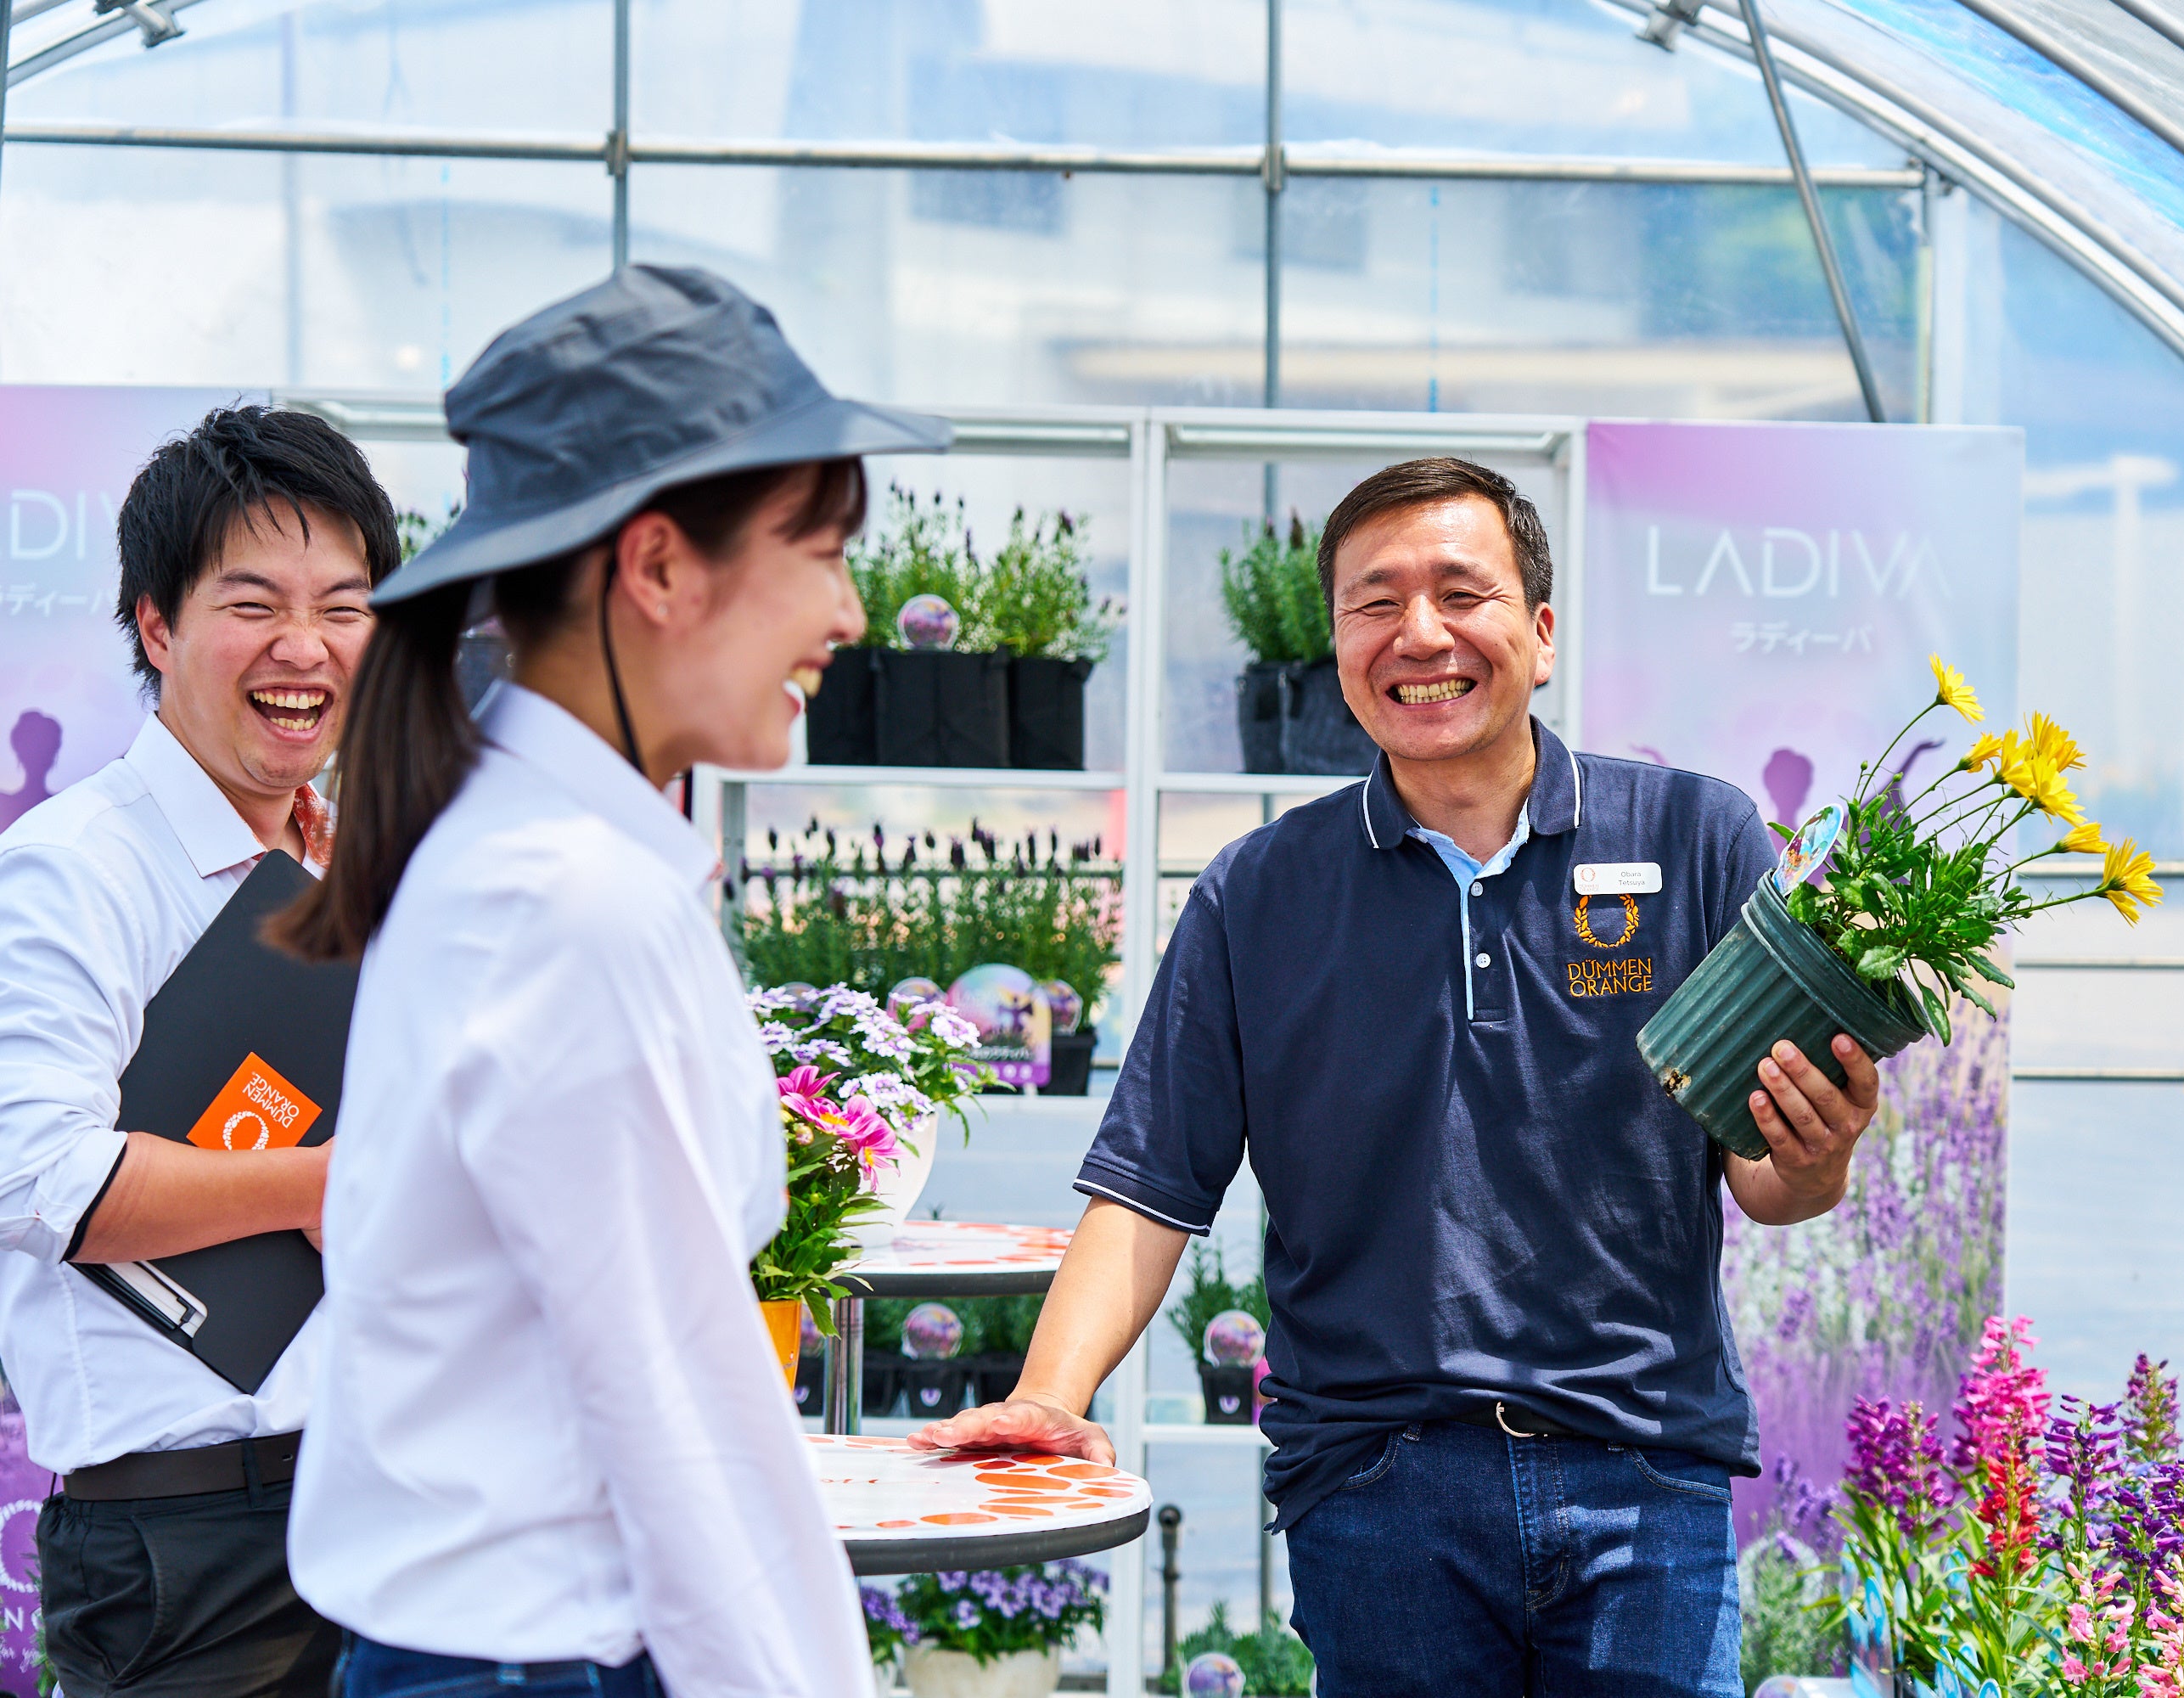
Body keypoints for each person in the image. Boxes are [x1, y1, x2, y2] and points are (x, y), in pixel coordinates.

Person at [917, 457, 1885, 1695]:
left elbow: (1769, 1184)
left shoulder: (1695, 839)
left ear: (1540, 636)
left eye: (1459, 593)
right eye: (1374, 604)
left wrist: (1821, 1155)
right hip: (1378, 1489)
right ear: (1335, 648)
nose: (1419, 633)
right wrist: (1049, 1394)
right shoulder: (1258, 892)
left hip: (1644, 1476)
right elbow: (1152, 1184)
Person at [272, 265, 952, 1698]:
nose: (850, 610)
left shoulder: (527, 850)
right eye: (821, 551)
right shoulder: (566, 900)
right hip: (549, 1660)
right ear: (654, 567)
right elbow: (675, 1412)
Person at [0, 404, 394, 1695]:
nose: (305, 648)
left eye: (344, 606)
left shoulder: (362, 862)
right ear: (157, 626)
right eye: (254, 604)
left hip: (387, 1515)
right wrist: (322, 1187)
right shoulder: (68, 873)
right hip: (186, 1556)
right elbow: (35, 1177)